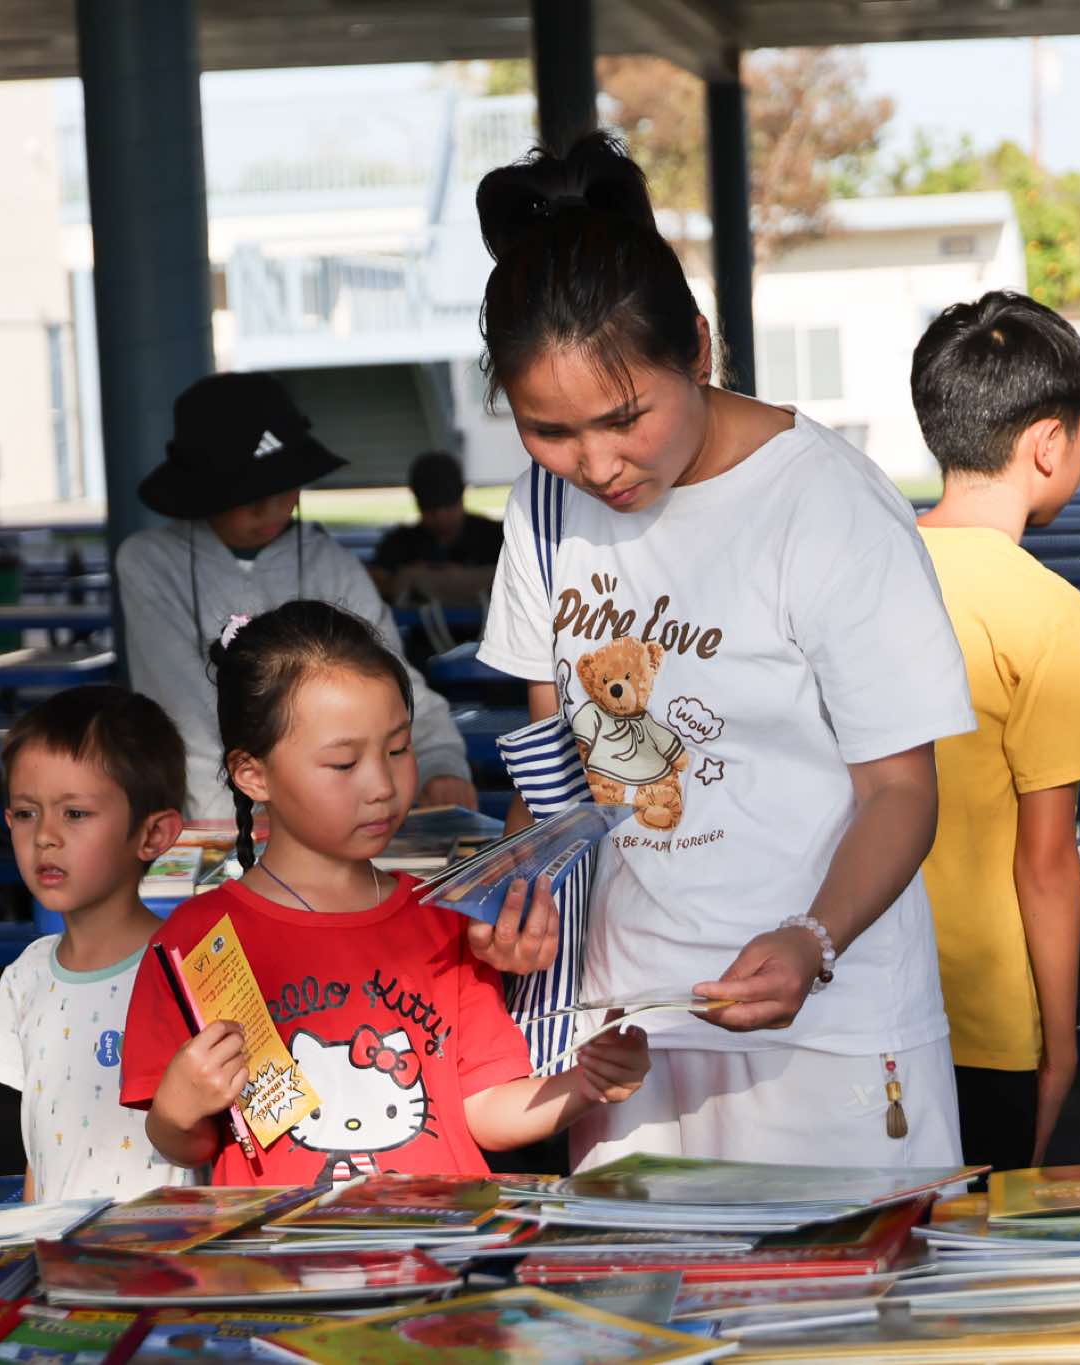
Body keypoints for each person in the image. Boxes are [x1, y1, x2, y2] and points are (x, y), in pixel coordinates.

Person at [472, 132, 977, 1169]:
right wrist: (519, 898)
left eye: (624, 418)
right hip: (622, 1029)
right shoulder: (541, 509)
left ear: (697, 349)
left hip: (827, 1030)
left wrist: (812, 938)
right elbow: (551, 774)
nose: (595, 464)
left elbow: (900, 792)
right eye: (549, 431)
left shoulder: (824, 503)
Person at [120, 600, 649, 1184]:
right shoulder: (195, 941)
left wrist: (586, 1083)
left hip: (441, 1235)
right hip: (282, 1243)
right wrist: (176, 1108)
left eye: (398, 749)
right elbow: (190, 1146)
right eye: (343, 763)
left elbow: (482, 1109)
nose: (381, 784)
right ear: (253, 774)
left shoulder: (443, 916)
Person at [911, 292, 1080, 1173]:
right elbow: (1046, 861)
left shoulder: (861, 571)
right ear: (1048, 443)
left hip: (853, 994)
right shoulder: (1045, 610)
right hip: (982, 1016)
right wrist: (1060, 1041)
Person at [116, 372, 479, 823]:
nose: (270, 508)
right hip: (208, 818)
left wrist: (440, 760)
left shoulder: (332, 565)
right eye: (248, 495)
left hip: (330, 808)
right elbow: (185, 717)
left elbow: (392, 680)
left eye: (283, 488)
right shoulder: (150, 563)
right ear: (202, 491)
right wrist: (235, 828)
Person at [0, 685, 195, 1202]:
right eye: (26, 813)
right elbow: (39, 1151)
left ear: (153, 835)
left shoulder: (185, 972)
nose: (45, 836)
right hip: (55, 1249)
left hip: (166, 1248)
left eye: (74, 814)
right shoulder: (25, 977)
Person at [369, 450, 504, 605]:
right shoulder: (399, 543)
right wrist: (405, 578)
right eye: (431, 509)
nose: (440, 516)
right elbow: (376, 583)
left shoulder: (495, 537)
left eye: (448, 506)